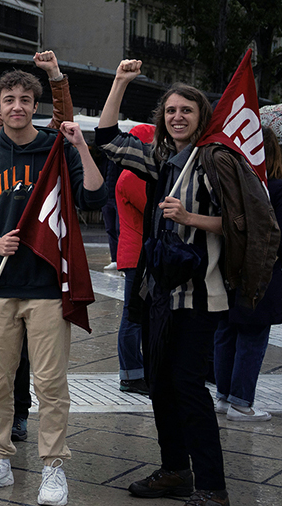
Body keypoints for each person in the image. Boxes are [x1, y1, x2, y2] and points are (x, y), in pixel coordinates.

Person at [97, 60, 276, 506]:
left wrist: (189, 216)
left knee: (188, 388)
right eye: (171, 111)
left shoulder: (216, 161)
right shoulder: (162, 159)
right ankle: (175, 469)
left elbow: (247, 225)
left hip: (200, 295)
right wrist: (120, 82)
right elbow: (107, 140)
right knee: (159, 384)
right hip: (159, 290)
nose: (177, 117)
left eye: (187, 111)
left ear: (202, 118)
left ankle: (212, 486)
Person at [0, 70, 106, 506]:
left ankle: (53, 466)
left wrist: (81, 144)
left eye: (26, 99)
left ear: (35, 105)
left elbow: (94, 197)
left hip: (46, 284)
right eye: (9, 99)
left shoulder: (56, 151)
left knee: (50, 383)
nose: (17, 106)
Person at [212, 126, 282, 421]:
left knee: (226, 332)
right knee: (253, 337)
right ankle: (242, 402)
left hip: (229, 267)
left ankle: (225, 397)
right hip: (263, 270)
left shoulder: (231, 182)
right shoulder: (277, 186)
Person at [115, 124, 155, 396]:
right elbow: (154, 209)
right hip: (136, 254)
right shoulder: (133, 176)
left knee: (139, 315)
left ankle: (136, 372)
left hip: (138, 252)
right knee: (133, 316)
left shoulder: (134, 174)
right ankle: (131, 374)